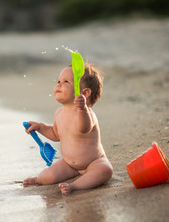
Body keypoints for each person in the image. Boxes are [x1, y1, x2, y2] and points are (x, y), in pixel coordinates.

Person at [23, 63, 113, 195]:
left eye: (66, 82)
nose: (59, 84)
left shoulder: (87, 114)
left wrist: (82, 109)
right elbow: (55, 134)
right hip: (69, 164)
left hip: (93, 162)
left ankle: (75, 186)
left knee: (105, 170)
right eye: (58, 81)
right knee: (50, 175)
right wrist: (40, 127)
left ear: (85, 93)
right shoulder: (59, 113)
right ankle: (37, 180)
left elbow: (84, 128)